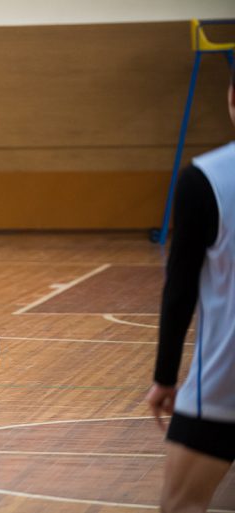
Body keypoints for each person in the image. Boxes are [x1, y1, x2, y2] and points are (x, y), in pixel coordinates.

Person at [146, 66, 235, 512]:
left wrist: (165, 377)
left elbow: (179, 289)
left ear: (232, 99)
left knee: (181, 505)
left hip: (223, 386)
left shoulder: (206, 178)